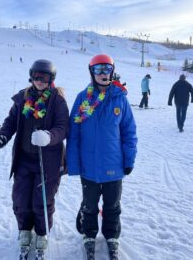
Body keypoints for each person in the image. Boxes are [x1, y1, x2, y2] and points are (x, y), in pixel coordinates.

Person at [0, 59, 69, 260]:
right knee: (21, 199)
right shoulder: (23, 97)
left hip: (47, 162)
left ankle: (41, 234)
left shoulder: (57, 100)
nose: (39, 81)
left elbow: (63, 127)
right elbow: (11, 122)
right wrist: (1, 138)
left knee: (41, 201)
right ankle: (24, 230)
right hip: (24, 159)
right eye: (36, 76)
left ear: (51, 79)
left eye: (45, 77)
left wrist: (49, 137)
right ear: (31, 76)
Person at [67, 54, 137, 260]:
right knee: (89, 205)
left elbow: (129, 133)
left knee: (112, 206)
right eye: (98, 69)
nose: (103, 73)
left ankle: (112, 236)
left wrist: (129, 160)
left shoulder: (120, 99)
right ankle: (89, 235)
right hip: (89, 166)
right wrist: (74, 163)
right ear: (92, 72)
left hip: (113, 166)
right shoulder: (83, 98)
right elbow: (74, 132)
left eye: (106, 69)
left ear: (112, 71)